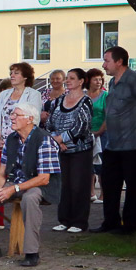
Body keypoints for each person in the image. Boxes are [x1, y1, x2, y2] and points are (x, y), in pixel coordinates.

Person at [0, 103, 60, 267]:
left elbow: (44, 179)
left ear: (30, 119)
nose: (11, 117)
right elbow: (1, 170)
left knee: (30, 198)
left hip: (40, 185)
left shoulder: (44, 140)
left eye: (16, 115)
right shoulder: (12, 139)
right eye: (12, 114)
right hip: (16, 182)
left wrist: (13, 189)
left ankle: (32, 252)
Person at [93, 46, 136, 235]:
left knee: (133, 187)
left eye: (107, 61)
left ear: (119, 61)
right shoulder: (113, 83)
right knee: (110, 184)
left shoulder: (135, 81)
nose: (104, 65)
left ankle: (130, 226)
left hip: (134, 145)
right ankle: (111, 222)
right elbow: (112, 112)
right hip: (113, 144)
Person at [42, 68, 94, 233]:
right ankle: (64, 220)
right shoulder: (58, 101)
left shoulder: (85, 101)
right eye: (67, 78)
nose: (68, 81)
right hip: (61, 150)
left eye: (72, 78)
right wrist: (57, 140)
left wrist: (60, 139)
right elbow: (49, 124)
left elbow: (81, 126)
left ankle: (79, 222)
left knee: (79, 185)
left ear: (81, 81)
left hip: (80, 151)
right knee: (63, 185)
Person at [0, 63, 43, 148]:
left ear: (25, 77)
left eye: (16, 73)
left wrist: (22, 140)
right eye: (11, 73)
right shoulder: (4, 94)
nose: (12, 75)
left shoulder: (33, 94)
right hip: (3, 143)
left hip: (23, 142)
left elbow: (34, 120)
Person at [87, 68, 108, 203]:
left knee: (102, 165)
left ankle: (103, 194)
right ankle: (91, 193)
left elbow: (108, 115)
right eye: (95, 79)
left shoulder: (105, 96)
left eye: (100, 79)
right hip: (86, 134)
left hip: (103, 134)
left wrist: (100, 131)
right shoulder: (84, 96)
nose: (98, 82)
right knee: (89, 165)